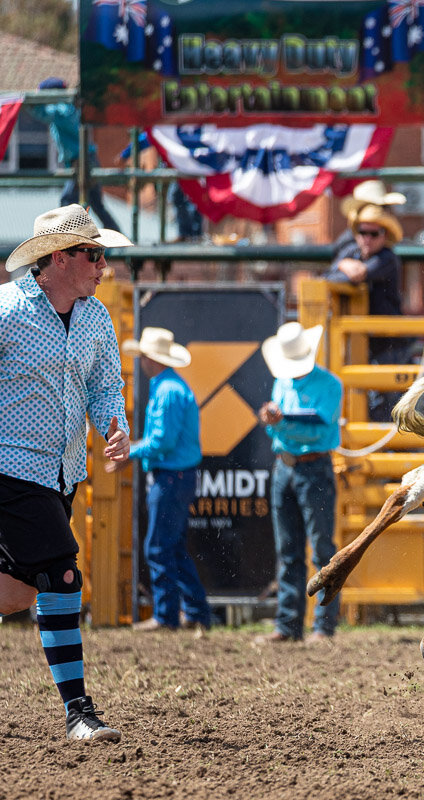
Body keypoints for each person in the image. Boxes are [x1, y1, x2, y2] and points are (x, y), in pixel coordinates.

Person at [0, 203, 132, 741]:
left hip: (61, 473)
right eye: (94, 254)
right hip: (9, 466)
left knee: (16, 594)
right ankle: (79, 711)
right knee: (63, 572)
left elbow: (105, 386)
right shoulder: (7, 311)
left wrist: (114, 424)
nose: (103, 266)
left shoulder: (96, 318)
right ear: (60, 257)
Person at [257, 322, 344, 643]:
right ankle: (290, 624)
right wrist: (277, 424)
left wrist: (280, 424)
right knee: (289, 549)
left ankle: (321, 625)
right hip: (291, 467)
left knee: (320, 548)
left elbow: (318, 430)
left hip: (309, 466)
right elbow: (304, 428)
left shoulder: (329, 385)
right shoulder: (289, 382)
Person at [121, 327, 210, 633]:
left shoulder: (167, 391)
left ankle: (166, 615)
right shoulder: (171, 387)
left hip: (170, 477)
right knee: (172, 547)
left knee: (159, 547)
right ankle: (195, 611)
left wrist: (129, 451)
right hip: (177, 476)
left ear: (149, 358)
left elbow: (161, 442)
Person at [325, 202, 405, 422]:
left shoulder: (388, 258)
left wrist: (343, 264)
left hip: (389, 342)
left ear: (384, 235)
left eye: (373, 233)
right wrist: (344, 265)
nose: (366, 238)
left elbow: (357, 273)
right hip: (364, 340)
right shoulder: (353, 252)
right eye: (362, 232)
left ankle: (391, 447)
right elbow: (330, 277)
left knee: (390, 400)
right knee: (363, 396)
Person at [28, 78, 122, 234]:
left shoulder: (62, 110)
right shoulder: (70, 108)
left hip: (82, 161)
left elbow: (43, 114)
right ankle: (117, 235)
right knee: (95, 203)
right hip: (84, 159)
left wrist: (32, 103)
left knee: (68, 200)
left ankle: (64, 237)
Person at [118, 132, 204, 242]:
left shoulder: (178, 127)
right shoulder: (167, 128)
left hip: (191, 164)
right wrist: (126, 154)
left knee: (191, 197)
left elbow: (150, 137)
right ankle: (188, 234)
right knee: (178, 197)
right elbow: (149, 137)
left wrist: (125, 154)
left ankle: (194, 234)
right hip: (180, 165)